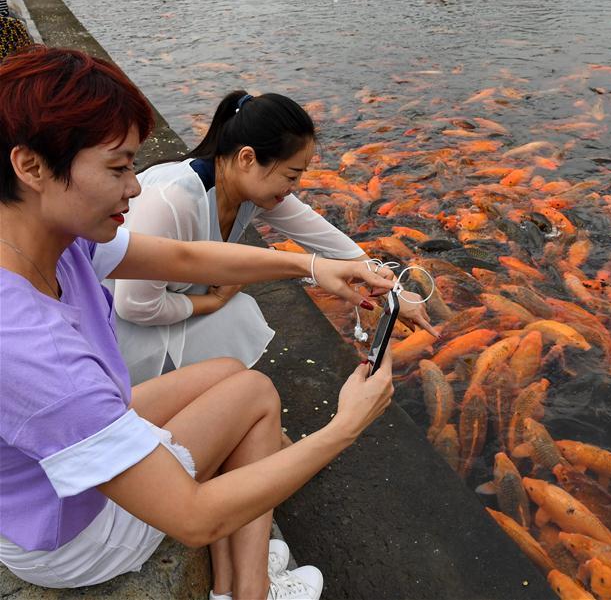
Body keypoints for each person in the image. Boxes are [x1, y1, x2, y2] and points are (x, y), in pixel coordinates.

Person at [0, 45, 396, 600]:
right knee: (255, 394)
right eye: (117, 168)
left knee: (228, 373)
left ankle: (238, 584)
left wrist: (313, 267)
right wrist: (346, 426)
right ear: (32, 166)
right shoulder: (29, 346)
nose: (135, 186)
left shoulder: (47, 241)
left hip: (43, 484)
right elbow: (191, 518)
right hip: (74, 537)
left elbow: (184, 260)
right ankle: (249, 591)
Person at [110, 90, 438, 384]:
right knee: (235, 313)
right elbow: (134, 306)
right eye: (291, 174)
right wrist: (213, 301)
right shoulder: (173, 199)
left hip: (166, 307)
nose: (293, 187)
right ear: (247, 158)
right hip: (112, 327)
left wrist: (394, 293)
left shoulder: (250, 192)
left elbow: (329, 243)